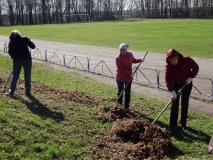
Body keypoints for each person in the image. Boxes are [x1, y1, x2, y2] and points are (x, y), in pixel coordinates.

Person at [165, 48, 199, 132]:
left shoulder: (186, 60)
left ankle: (183, 123)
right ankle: (173, 125)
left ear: (178, 57)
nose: (173, 62)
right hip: (175, 85)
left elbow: (196, 67)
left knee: (185, 103)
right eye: (171, 61)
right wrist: (172, 91)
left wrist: (191, 77)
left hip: (187, 84)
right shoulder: (168, 66)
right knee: (174, 104)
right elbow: (167, 79)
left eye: (174, 60)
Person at [6, 29, 36, 97]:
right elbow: (33, 46)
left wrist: (14, 57)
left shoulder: (11, 42)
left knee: (15, 77)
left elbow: (10, 52)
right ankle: (28, 92)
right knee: (27, 76)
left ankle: (11, 92)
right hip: (27, 60)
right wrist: (28, 40)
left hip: (17, 60)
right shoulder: (24, 39)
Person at [116, 43, 145, 109]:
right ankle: (119, 106)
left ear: (126, 50)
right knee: (120, 91)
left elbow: (134, 60)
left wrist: (140, 60)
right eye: (120, 50)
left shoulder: (130, 54)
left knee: (127, 92)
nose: (122, 52)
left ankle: (126, 107)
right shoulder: (118, 58)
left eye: (123, 50)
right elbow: (120, 69)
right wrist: (130, 73)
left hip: (128, 78)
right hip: (120, 77)